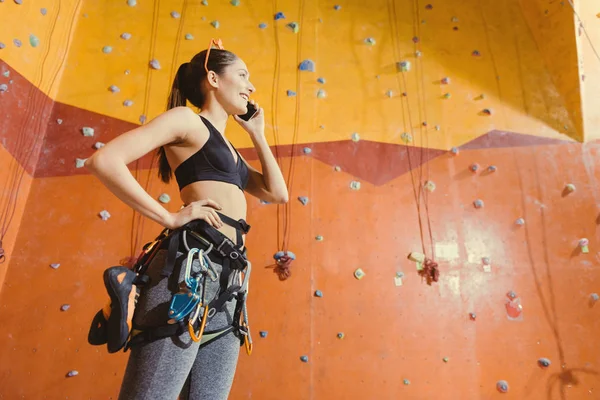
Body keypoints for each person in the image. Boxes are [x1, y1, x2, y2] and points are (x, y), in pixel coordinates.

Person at [85, 38, 288, 400]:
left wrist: (257, 134)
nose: (251, 86)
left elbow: (278, 194)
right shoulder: (187, 121)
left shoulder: (230, 150)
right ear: (213, 78)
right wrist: (168, 216)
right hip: (189, 273)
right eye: (242, 75)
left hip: (231, 283)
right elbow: (105, 160)